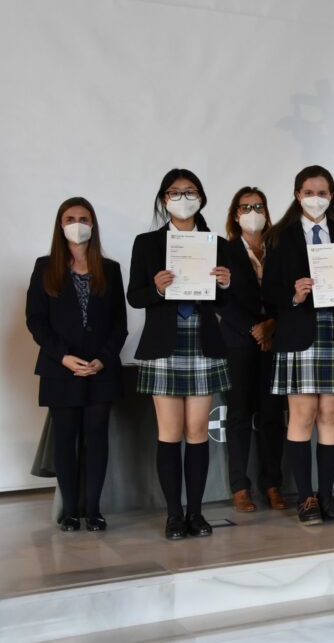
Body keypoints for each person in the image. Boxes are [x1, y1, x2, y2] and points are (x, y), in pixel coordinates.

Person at [128, 169, 232, 540]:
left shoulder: (216, 243)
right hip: (164, 344)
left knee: (197, 431)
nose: (183, 198)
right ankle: (174, 515)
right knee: (170, 433)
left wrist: (225, 284)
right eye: (175, 192)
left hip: (203, 342)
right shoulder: (147, 243)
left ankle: (196, 513)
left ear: (201, 198)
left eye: (190, 192)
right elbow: (135, 296)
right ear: (163, 200)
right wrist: (156, 289)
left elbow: (227, 301)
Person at [262, 165, 334, 525]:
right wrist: (293, 295)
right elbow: (268, 291)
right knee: (303, 415)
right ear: (297, 195)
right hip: (298, 332)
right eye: (309, 192)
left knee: (330, 414)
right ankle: (304, 497)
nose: (316, 198)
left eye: (323, 192)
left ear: (331, 196)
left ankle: (326, 494)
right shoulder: (280, 236)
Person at [26, 197, 127, 532]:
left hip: (100, 369)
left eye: (84, 218)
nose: (78, 223)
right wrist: (63, 356)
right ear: (60, 224)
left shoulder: (109, 269)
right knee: (65, 439)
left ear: (93, 224)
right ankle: (70, 510)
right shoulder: (45, 267)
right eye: (70, 218)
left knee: (97, 438)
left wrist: (102, 359)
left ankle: (94, 510)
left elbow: (119, 324)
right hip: (60, 368)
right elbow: (36, 320)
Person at [220, 187, 287, 513]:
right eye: (245, 207)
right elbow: (220, 299)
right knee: (239, 416)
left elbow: (287, 293)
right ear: (235, 215)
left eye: (258, 206)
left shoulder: (278, 248)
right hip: (238, 340)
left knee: (273, 415)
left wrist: (271, 325)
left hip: (274, 340)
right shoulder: (225, 250)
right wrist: (254, 328)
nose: (252, 211)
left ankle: (272, 483)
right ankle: (240, 486)